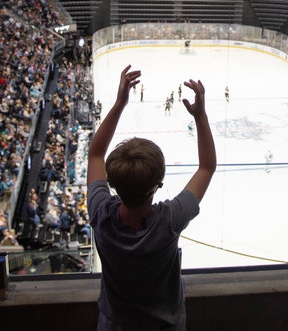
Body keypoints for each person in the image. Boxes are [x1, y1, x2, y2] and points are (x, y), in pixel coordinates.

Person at [87, 65, 216, 330]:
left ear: (111, 183)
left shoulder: (100, 212)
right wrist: (200, 117)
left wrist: (120, 103)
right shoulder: (170, 219)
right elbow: (207, 167)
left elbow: (95, 154)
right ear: (158, 185)